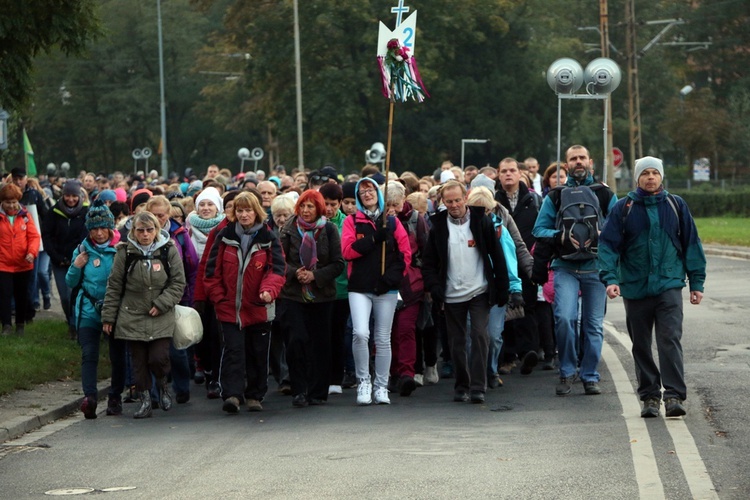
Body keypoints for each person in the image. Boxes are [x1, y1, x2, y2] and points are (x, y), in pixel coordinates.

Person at [598, 156, 706, 418]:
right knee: (641, 344)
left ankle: (673, 396)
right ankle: (649, 396)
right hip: (635, 287)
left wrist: (696, 282)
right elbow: (608, 246)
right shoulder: (624, 208)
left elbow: (692, 243)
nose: (650, 178)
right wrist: (610, 278)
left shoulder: (675, 205)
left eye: (654, 173)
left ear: (661, 177)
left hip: (669, 284)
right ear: (637, 178)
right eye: (644, 173)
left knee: (669, 339)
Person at [532, 145, 617, 396]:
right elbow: (539, 230)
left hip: (595, 268)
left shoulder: (604, 194)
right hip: (565, 267)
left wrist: (604, 235)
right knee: (565, 319)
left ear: (590, 162)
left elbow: (620, 227)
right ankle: (567, 371)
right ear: (566, 164)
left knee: (593, 325)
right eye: (573, 159)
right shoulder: (555, 196)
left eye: (582, 158)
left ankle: (590, 375)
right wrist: (561, 237)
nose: (578, 162)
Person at [422, 180, 511, 403]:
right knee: (457, 342)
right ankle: (462, 385)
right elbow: (429, 263)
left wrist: (503, 288)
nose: (454, 205)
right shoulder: (438, 227)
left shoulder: (482, 221)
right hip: (451, 294)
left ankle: (478, 386)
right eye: (449, 201)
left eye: (458, 200)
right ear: (443, 202)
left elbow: (497, 256)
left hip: (478, 290)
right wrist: (434, 288)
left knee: (480, 335)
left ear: (466, 198)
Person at [203, 192, 286, 413]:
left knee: (258, 352)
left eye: (248, 210)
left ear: (256, 211)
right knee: (233, 351)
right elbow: (211, 272)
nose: (244, 214)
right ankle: (232, 394)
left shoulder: (269, 238)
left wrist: (268, 291)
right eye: (239, 210)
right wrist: (219, 297)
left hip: (258, 307)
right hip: (230, 307)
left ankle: (255, 395)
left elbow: (277, 270)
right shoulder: (224, 236)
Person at [101, 212, 186, 419]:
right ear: (133, 231)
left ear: (156, 230)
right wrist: (108, 317)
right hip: (132, 314)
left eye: (149, 230)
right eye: (140, 230)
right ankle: (145, 401)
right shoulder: (125, 252)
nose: (145, 235)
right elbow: (114, 286)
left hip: (160, 314)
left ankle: (163, 384)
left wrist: (162, 303)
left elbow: (178, 283)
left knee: (158, 357)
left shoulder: (168, 250)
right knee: (138, 362)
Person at [341, 178, 411, 405]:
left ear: (377, 194)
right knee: (360, 333)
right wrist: (373, 239)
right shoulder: (352, 221)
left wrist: (390, 280)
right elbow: (348, 252)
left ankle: (381, 385)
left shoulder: (391, 222)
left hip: (385, 288)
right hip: (360, 287)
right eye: (362, 191)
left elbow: (405, 255)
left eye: (370, 189)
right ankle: (364, 381)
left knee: (382, 338)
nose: (367, 193)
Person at [279, 190, 345, 407]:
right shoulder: (288, 229)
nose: (306, 211)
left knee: (320, 344)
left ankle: (317, 391)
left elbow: (338, 263)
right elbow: (280, 261)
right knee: (296, 340)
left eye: (310, 207)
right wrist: (295, 273)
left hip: (321, 295)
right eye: (303, 206)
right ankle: (299, 389)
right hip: (293, 295)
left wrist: (315, 275)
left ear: (319, 209)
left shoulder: (329, 229)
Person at [65, 200, 126, 418]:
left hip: (115, 310)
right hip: (89, 309)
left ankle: (115, 396)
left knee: (118, 355)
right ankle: (89, 398)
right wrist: (76, 266)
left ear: (110, 227)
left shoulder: (120, 249)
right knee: (89, 353)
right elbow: (71, 282)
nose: (99, 233)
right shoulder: (82, 250)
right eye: (94, 229)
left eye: (102, 228)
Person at [146, 195, 199, 404]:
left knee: (178, 349)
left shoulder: (180, 235)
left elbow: (192, 266)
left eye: (162, 215)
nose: (158, 219)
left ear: (168, 214)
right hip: (150, 300)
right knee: (153, 350)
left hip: (179, 296)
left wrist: (191, 296)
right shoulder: (141, 234)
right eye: (154, 215)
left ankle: (182, 386)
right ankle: (154, 393)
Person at [495, 158, 540, 376]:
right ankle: (507, 356)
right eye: (504, 171)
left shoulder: (533, 200)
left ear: (520, 173)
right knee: (505, 312)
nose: (508, 175)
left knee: (528, 309)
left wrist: (535, 263)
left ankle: (528, 352)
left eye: (512, 170)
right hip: (502, 265)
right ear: (498, 174)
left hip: (526, 261)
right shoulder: (493, 201)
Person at [384, 181, 428, 396]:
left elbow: (426, 251)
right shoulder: (378, 222)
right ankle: (391, 373)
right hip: (387, 285)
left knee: (406, 329)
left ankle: (407, 373)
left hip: (412, 285)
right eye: (388, 205)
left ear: (404, 201)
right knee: (389, 331)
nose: (392, 209)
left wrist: (426, 282)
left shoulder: (415, 220)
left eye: (396, 204)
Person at [186, 186, 225, 397]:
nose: (206, 208)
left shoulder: (225, 228)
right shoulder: (188, 230)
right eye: (202, 204)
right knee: (199, 337)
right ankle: (204, 367)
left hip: (218, 291)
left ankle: (215, 378)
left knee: (215, 336)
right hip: (195, 291)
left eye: (210, 204)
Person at [42, 180, 89, 339]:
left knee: (75, 294)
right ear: (63, 195)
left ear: (79, 196)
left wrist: (76, 257)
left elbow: (85, 236)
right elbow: (47, 236)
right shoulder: (54, 212)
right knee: (64, 296)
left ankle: (75, 325)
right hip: (59, 261)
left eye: (74, 196)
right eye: (67, 195)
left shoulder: (85, 212)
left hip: (78, 260)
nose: (70, 199)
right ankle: (70, 320)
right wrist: (57, 257)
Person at [0, 184, 41, 336]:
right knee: (4, 295)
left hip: (23, 264)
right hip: (3, 264)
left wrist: (31, 252)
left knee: (22, 295)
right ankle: (6, 325)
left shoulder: (25, 216)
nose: (11, 205)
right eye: (8, 202)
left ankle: (20, 325)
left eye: (14, 202)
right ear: (2, 202)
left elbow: (34, 236)